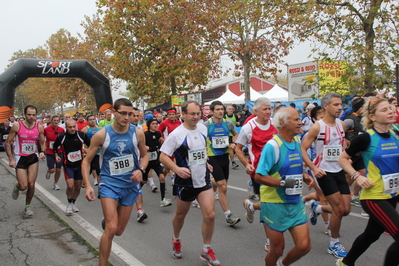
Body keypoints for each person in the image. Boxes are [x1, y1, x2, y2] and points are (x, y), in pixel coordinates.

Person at [82, 98, 148, 266]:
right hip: (109, 184)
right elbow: (86, 161)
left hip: (130, 186)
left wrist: (140, 170)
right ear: (114, 112)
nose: (127, 117)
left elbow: (145, 156)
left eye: (130, 114)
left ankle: (109, 222)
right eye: (123, 113)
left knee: (117, 231)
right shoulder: (102, 134)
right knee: (111, 229)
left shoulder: (137, 133)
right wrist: (88, 185)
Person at [336, 97, 399, 266]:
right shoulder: (366, 138)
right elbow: (342, 159)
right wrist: (357, 176)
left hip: (392, 194)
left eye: (391, 108)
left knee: (372, 234)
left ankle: (346, 262)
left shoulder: (395, 135)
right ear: (372, 117)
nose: (391, 111)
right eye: (384, 110)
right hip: (373, 197)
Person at [160, 100, 220, 266]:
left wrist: (205, 161)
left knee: (211, 215)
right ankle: (176, 239)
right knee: (180, 215)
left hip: (203, 179)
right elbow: (163, 156)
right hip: (185, 182)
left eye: (198, 113)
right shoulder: (176, 135)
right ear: (183, 114)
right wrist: (176, 169)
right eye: (192, 114)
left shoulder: (202, 128)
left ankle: (206, 249)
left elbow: (200, 150)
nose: (195, 117)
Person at [255, 106, 313, 266]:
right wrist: (283, 183)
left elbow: (289, 166)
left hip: (294, 202)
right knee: (277, 250)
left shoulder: (296, 140)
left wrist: (304, 176)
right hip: (274, 204)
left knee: (304, 246)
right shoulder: (272, 146)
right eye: (296, 120)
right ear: (283, 122)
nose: (300, 123)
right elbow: (259, 176)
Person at [301, 92, 350, 258]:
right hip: (324, 171)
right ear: (326, 106)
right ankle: (334, 243)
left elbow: (342, 146)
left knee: (346, 210)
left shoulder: (341, 125)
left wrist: (346, 158)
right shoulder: (318, 127)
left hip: (339, 170)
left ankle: (317, 207)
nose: (340, 107)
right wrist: (314, 168)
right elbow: (303, 149)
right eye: (336, 105)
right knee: (338, 209)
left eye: (340, 104)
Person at [204, 100, 240, 226]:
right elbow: (200, 140)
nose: (220, 112)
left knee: (222, 187)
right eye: (217, 109)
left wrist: (233, 143)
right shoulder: (206, 125)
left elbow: (236, 134)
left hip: (224, 156)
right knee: (223, 186)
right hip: (212, 157)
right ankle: (229, 215)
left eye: (222, 109)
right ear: (211, 111)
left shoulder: (228, 123)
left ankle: (209, 183)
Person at [5, 105, 46, 216]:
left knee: (31, 184)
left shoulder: (39, 127)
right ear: (25, 114)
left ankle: (27, 207)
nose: (31, 117)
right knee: (24, 186)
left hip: (33, 157)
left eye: (33, 115)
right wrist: (11, 159)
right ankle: (17, 186)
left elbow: (43, 142)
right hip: (20, 157)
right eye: (29, 114)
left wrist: (42, 152)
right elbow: (8, 143)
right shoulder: (17, 126)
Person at [53, 119, 91, 215]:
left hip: (79, 165)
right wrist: (56, 156)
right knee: (70, 185)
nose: (72, 129)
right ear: (66, 128)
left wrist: (87, 149)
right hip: (68, 165)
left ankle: (73, 202)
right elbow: (55, 147)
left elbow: (91, 145)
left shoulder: (81, 135)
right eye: (70, 127)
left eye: (74, 127)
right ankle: (69, 203)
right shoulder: (62, 137)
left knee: (78, 187)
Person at [144, 117, 171, 207]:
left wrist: (169, 142)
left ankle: (163, 200)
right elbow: (142, 145)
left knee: (162, 178)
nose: (155, 125)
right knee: (143, 181)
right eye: (153, 124)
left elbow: (161, 140)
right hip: (147, 160)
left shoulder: (158, 133)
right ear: (149, 125)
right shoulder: (145, 134)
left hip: (155, 160)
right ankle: (134, 195)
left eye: (156, 123)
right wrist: (146, 148)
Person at [43, 115, 65, 190]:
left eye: (57, 120)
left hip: (59, 151)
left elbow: (63, 140)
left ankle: (55, 183)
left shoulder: (61, 130)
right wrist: (42, 149)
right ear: (51, 121)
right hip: (50, 151)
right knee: (52, 170)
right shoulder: (46, 129)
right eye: (54, 120)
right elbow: (42, 139)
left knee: (58, 169)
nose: (56, 122)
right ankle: (49, 170)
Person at [82, 114, 101, 186]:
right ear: (87, 121)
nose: (92, 121)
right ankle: (84, 182)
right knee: (88, 170)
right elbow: (80, 140)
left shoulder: (99, 129)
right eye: (90, 120)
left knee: (98, 170)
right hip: (88, 152)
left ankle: (100, 186)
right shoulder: (85, 129)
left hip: (97, 153)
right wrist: (83, 149)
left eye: (93, 119)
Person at [224, 105, 239, 169]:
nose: (231, 110)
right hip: (226, 134)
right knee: (229, 148)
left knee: (231, 148)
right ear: (226, 110)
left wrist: (238, 123)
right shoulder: (224, 116)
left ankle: (233, 162)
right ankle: (232, 162)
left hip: (233, 134)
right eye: (229, 109)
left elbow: (238, 123)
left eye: (232, 109)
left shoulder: (235, 116)